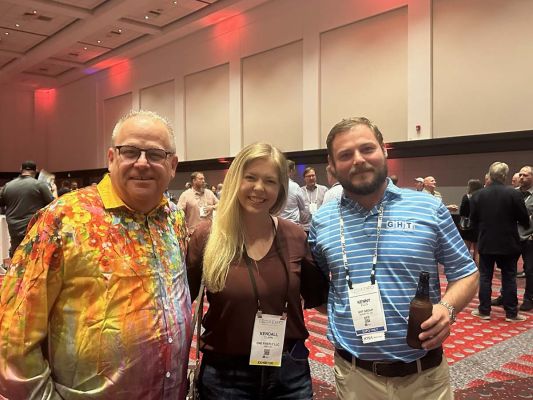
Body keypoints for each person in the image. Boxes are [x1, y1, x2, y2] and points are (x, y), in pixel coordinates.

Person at [0, 110, 192, 399]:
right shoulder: (64, 219)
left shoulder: (174, 219)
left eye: (155, 154)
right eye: (130, 152)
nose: (142, 163)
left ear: (172, 165)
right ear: (112, 158)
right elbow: (13, 334)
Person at [309, 117, 479, 400]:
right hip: (354, 376)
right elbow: (317, 287)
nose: (358, 160)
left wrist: (447, 308)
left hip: (425, 377)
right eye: (345, 154)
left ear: (384, 151)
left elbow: (466, 273)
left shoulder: (429, 208)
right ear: (332, 165)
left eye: (367, 149)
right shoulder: (322, 220)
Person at [186, 142, 328, 399]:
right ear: (235, 180)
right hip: (225, 375)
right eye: (250, 178)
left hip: (289, 371)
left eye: (270, 181)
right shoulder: (207, 237)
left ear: (281, 188)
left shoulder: (294, 236)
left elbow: (320, 298)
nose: (259, 188)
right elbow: (181, 303)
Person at [469, 162, 529, 322]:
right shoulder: (514, 194)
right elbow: (524, 219)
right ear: (505, 176)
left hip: (486, 242)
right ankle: (511, 313)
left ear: (490, 174)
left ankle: (484, 311)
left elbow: (473, 222)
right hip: (509, 242)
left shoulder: (478, 195)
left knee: (485, 277)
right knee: (509, 277)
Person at [0, 160, 54, 257]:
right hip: (33, 229)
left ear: (21, 169)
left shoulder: (8, 186)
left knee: (16, 255)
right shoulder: (39, 185)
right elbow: (52, 203)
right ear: (35, 171)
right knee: (32, 257)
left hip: (14, 230)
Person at [516, 166, 533, 311]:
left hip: (529, 238)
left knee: (530, 270)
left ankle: (528, 299)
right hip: (512, 237)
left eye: (525, 175)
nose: (521, 177)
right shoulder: (513, 193)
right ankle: (506, 295)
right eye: (520, 175)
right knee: (508, 269)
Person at [459, 179, 483, 265]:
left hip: (467, 225)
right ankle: (478, 269)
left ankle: (466, 268)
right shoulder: (482, 197)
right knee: (478, 251)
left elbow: (462, 212)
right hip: (479, 225)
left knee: (466, 249)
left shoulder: (466, 197)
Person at [279, 160, 308, 225]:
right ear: (291, 171)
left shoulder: (276, 185)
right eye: (294, 170)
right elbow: (302, 206)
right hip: (293, 224)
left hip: (278, 224)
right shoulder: (295, 186)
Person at [300, 166, 328, 232]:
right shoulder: (300, 191)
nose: (311, 178)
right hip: (305, 227)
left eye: (313, 175)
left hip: (320, 226)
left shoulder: (324, 190)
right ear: (304, 178)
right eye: (308, 176)